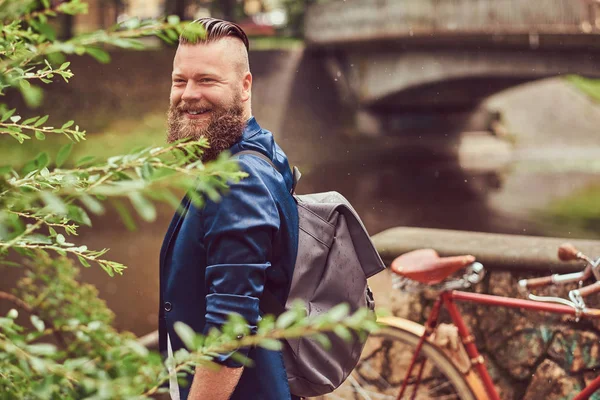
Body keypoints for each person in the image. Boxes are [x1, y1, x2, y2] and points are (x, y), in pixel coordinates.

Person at [158, 18, 299, 400]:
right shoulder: (258, 150)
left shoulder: (238, 181)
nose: (188, 94)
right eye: (179, 80)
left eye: (207, 80)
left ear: (245, 85)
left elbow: (230, 332)